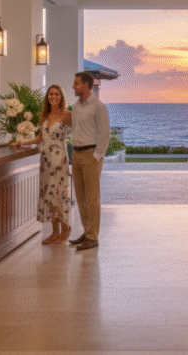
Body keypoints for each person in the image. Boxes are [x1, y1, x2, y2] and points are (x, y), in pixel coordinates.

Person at [11, 84, 72, 245]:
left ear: (61, 97)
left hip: (59, 159)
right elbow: (40, 138)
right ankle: (55, 232)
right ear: (47, 97)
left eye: (56, 94)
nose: (53, 97)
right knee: (48, 195)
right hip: (46, 159)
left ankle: (66, 228)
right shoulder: (45, 115)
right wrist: (21, 143)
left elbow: (80, 130)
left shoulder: (67, 115)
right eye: (51, 94)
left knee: (57, 195)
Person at [67, 71, 110, 251]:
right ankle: (87, 232)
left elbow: (105, 134)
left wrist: (97, 156)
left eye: (76, 83)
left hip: (91, 154)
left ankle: (93, 237)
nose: (73, 87)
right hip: (76, 154)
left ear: (86, 85)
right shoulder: (76, 106)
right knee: (81, 197)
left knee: (92, 198)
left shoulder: (98, 106)